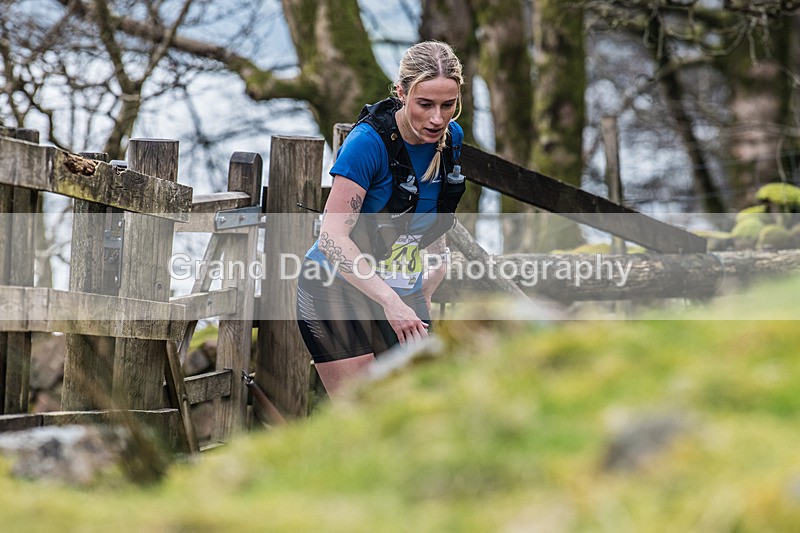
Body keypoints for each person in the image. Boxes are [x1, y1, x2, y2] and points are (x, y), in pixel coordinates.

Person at [296, 40, 466, 398]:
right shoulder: (367, 143)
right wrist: (390, 302)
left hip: (404, 288)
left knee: (421, 406)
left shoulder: (452, 139)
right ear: (401, 93)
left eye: (447, 105)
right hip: (335, 288)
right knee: (364, 414)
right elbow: (331, 237)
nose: (437, 118)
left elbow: (433, 210)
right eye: (425, 104)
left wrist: (436, 267)